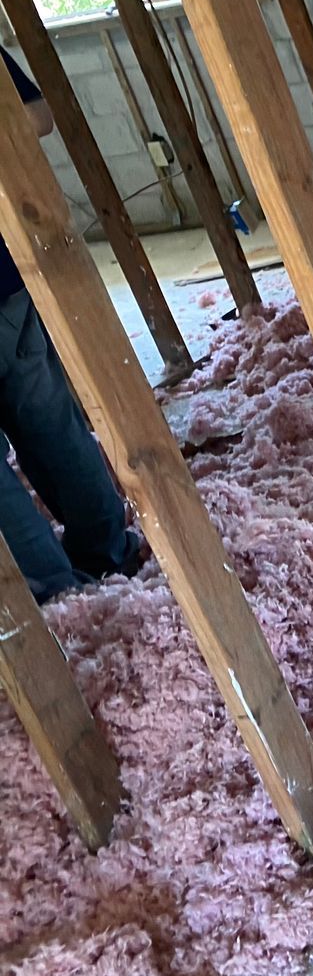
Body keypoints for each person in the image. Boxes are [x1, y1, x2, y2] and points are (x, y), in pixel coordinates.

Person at [0, 46, 145, 603]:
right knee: (49, 421)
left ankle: (62, 597)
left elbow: (35, 115)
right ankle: (111, 554)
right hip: (7, 275)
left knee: (44, 429)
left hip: (7, 273)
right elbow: (36, 114)